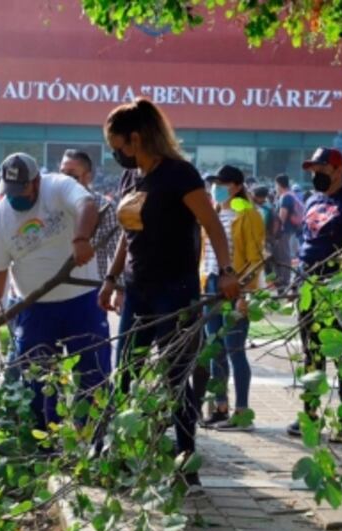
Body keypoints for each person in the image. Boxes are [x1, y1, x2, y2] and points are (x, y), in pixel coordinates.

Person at [98, 98, 240, 489]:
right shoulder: (131, 179)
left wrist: (227, 272)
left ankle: (185, 461)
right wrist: (110, 279)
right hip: (136, 291)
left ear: (137, 137)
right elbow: (130, 235)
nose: (117, 154)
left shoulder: (180, 174)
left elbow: (212, 225)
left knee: (176, 378)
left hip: (174, 293)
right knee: (124, 373)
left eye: (118, 145)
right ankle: (111, 451)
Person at [0, 153, 111, 430]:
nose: (16, 197)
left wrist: (80, 239)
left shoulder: (58, 186)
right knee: (36, 380)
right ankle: (43, 442)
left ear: (37, 181)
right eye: (11, 191)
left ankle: (94, 438)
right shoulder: (0, 219)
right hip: (35, 308)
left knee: (93, 374)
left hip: (82, 302)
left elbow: (86, 204)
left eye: (23, 189)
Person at [287, 147, 342, 438]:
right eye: (312, 171)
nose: (315, 175)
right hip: (308, 286)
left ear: (338, 169)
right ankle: (310, 414)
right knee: (311, 352)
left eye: (321, 170)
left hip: (339, 288)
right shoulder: (313, 199)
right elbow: (307, 239)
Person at [199, 166, 264, 429]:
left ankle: (242, 411)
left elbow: (255, 258)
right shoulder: (213, 214)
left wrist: (245, 294)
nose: (217, 187)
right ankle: (220, 406)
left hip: (235, 286)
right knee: (215, 350)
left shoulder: (248, 215)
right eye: (215, 182)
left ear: (237, 186)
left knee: (235, 350)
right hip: (211, 285)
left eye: (223, 183)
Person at [59, 149, 121, 288]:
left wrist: (120, 290)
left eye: (72, 176)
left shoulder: (104, 206)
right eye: (62, 174)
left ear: (88, 177)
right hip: (56, 288)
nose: (65, 180)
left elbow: (115, 251)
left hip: (90, 289)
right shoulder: (50, 203)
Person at [273, 174, 302, 290]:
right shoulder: (291, 195)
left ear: (279, 185)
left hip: (284, 231)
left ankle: (284, 281)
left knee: (283, 256)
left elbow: (282, 216)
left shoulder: (285, 197)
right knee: (285, 255)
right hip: (290, 230)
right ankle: (284, 279)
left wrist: (277, 231)